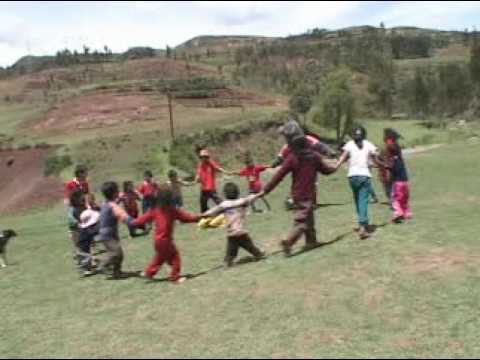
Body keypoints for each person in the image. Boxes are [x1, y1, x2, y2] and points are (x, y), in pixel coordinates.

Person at [262, 135, 337, 256]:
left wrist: (266, 190)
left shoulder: (292, 158)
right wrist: (336, 166)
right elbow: (326, 170)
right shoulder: (315, 157)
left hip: (296, 194)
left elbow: (278, 176)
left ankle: (311, 242)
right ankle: (289, 242)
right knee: (302, 222)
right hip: (307, 195)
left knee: (309, 218)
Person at [130, 184, 201, 283]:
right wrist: (198, 218)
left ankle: (149, 273)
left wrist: (132, 222)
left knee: (160, 258)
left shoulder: (154, 210)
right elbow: (186, 218)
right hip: (166, 241)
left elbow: (142, 220)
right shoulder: (172, 210)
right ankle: (174, 277)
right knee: (175, 257)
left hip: (158, 241)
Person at [203, 182, 266, 267]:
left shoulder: (224, 205)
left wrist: (199, 216)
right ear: (238, 192)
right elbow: (252, 197)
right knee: (250, 247)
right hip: (241, 231)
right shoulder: (242, 201)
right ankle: (259, 254)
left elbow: (211, 212)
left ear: (225, 194)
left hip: (231, 233)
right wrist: (261, 193)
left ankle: (229, 260)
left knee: (231, 250)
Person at [335, 126, 382, 240]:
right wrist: (381, 164)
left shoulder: (350, 144)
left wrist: (336, 166)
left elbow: (343, 157)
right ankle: (362, 226)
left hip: (352, 177)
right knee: (363, 201)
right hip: (364, 176)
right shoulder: (368, 144)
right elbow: (375, 156)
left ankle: (361, 222)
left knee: (357, 200)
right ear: (364, 135)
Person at [96, 181, 134, 279]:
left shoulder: (106, 203)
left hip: (110, 233)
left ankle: (117, 272)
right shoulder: (114, 206)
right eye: (118, 190)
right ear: (114, 193)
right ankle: (102, 265)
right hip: (107, 234)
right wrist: (135, 221)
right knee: (116, 253)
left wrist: (119, 199)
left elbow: (112, 204)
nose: (119, 192)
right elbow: (123, 216)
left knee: (119, 255)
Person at [383, 129, 412, 223]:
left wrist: (387, 175)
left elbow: (389, 168)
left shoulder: (391, 158)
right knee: (404, 198)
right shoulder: (399, 157)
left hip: (397, 182)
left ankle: (398, 213)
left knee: (395, 198)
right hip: (405, 181)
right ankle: (407, 213)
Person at [67, 190, 87, 265]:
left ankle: (80, 258)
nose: (82, 199)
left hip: (82, 229)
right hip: (74, 230)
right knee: (78, 245)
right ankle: (79, 259)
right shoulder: (72, 208)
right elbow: (70, 218)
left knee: (82, 245)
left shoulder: (83, 206)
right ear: (75, 199)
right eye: (80, 198)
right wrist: (77, 223)